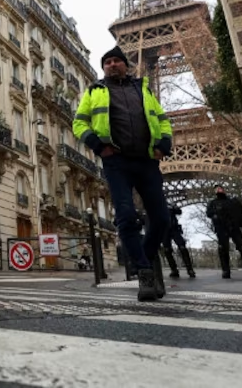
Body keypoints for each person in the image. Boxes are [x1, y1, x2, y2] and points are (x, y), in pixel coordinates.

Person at [73, 46, 174, 302]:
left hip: (147, 160)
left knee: (162, 219)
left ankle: (145, 259)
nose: (112, 64)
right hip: (116, 161)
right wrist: (98, 146)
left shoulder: (143, 89)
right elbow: (79, 123)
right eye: (107, 62)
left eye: (116, 61)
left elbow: (162, 120)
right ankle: (145, 273)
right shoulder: (94, 91)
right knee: (126, 217)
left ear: (125, 65)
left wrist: (164, 145)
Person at [206, 184, 242, 280]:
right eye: (216, 189)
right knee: (223, 249)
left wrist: (241, 224)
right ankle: (226, 270)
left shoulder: (233, 201)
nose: (218, 190)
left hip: (233, 226)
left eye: (220, 188)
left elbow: (241, 212)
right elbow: (209, 213)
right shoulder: (213, 203)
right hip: (221, 227)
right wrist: (216, 217)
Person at [162, 204, 196, 279]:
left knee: (182, 247)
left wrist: (173, 207)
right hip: (164, 230)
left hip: (174, 229)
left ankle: (190, 269)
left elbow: (179, 211)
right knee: (167, 250)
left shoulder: (169, 204)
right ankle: (174, 270)